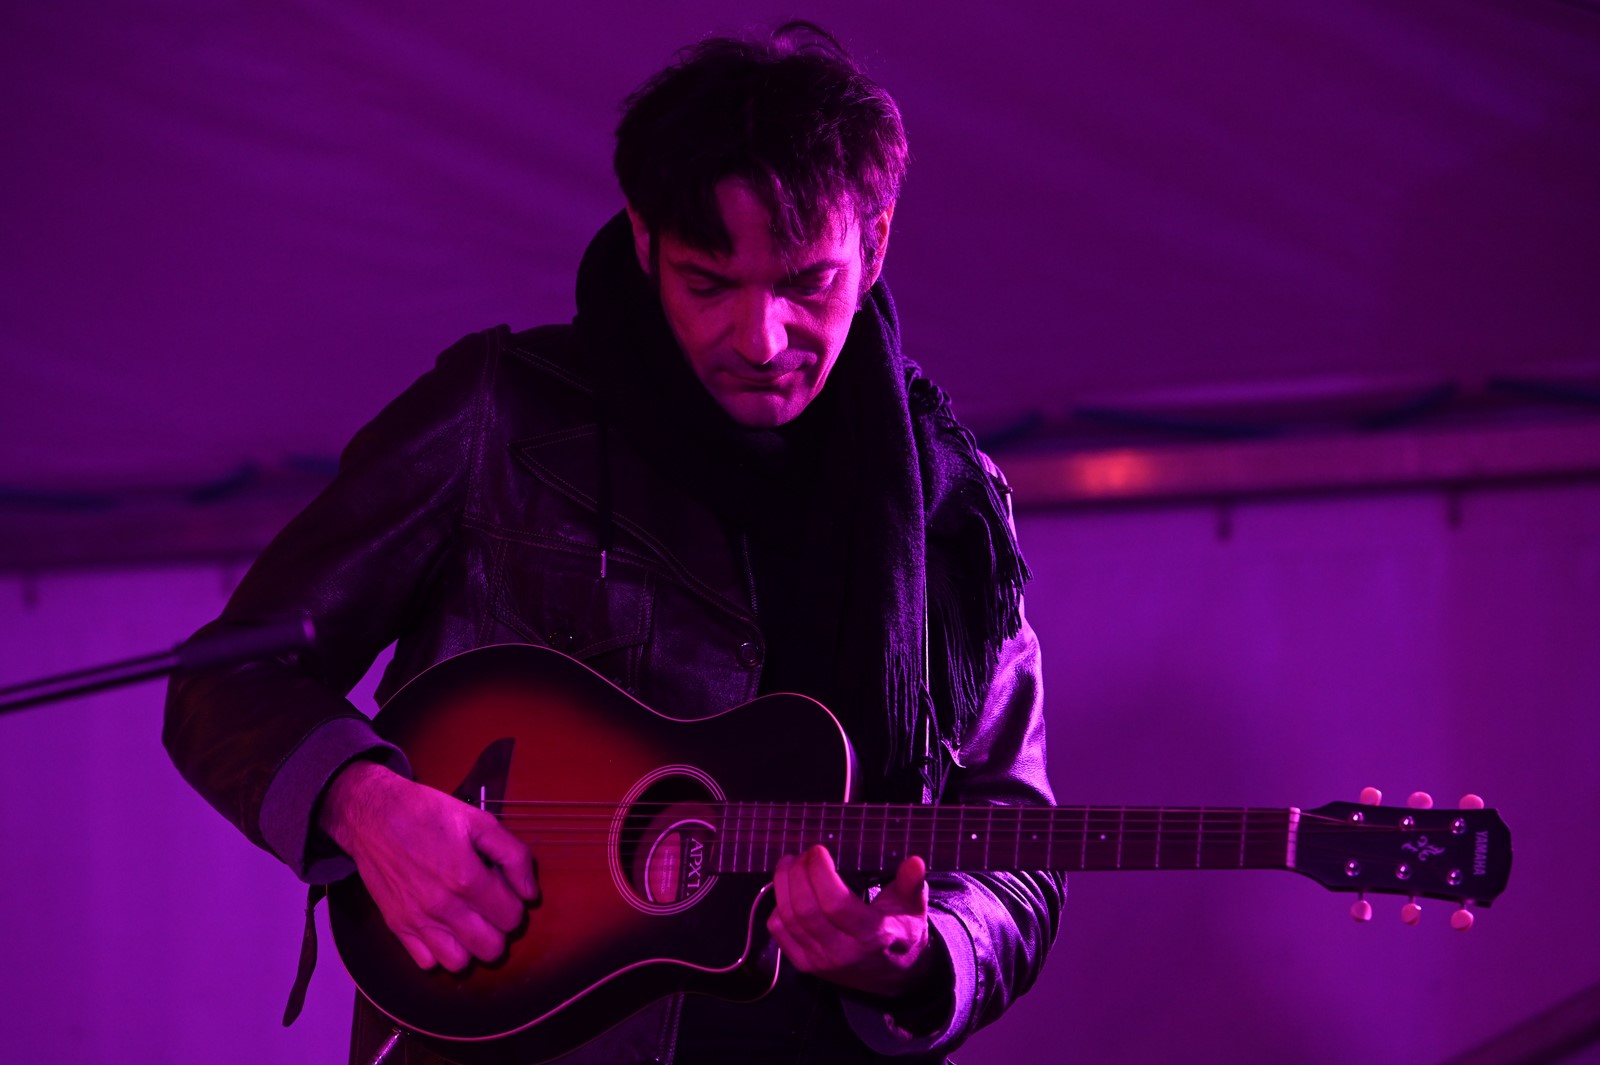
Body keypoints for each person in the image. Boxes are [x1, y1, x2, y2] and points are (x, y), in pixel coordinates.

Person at [165, 21, 1065, 1065]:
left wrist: (917, 953)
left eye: (804, 284)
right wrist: (358, 802)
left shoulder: (953, 505)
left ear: (876, 241)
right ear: (643, 241)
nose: (761, 338)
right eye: (709, 283)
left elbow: (1014, 839)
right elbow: (226, 678)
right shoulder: (502, 418)